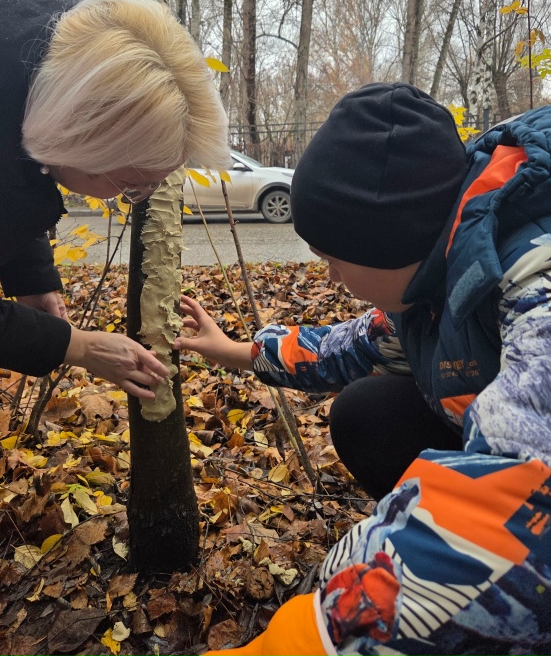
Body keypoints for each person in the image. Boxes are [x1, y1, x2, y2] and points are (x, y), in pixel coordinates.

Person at [175, 83, 551, 654]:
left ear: (385, 243)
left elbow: (531, 499)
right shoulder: (438, 270)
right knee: (369, 412)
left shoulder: (531, 283)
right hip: (494, 440)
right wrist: (230, 349)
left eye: (332, 258)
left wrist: (317, 635)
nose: (330, 276)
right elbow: (343, 348)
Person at [0, 0, 230, 610]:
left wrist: (33, 278)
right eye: (131, 184)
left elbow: (4, 159)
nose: (137, 200)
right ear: (82, 142)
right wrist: (78, 347)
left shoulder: (49, 43)